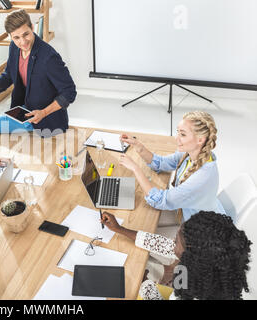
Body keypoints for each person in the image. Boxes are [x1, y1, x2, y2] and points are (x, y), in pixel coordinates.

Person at [0, 9, 77, 147]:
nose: (23, 42)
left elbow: (69, 91)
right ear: (10, 37)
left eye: (26, 34)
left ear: (32, 27)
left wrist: (43, 113)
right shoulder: (14, 47)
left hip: (43, 119)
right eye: (16, 38)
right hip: (24, 109)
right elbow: (8, 75)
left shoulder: (48, 57)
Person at [119, 111, 226, 239]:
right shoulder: (193, 154)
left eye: (183, 134)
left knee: (137, 229)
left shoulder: (201, 177)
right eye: (178, 132)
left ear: (200, 140)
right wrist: (138, 146)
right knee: (140, 214)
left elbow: (159, 200)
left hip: (200, 237)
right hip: (187, 212)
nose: (177, 138)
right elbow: (162, 163)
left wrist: (135, 169)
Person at [101, 211, 252, 300]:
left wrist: (145, 283)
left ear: (190, 255)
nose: (172, 240)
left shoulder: (191, 290)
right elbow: (163, 244)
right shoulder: (210, 265)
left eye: (177, 239)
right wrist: (120, 229)